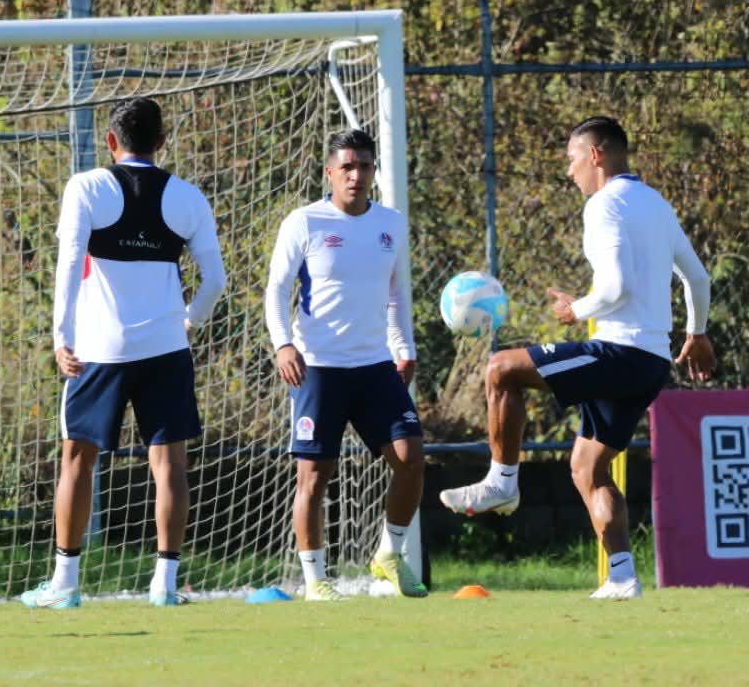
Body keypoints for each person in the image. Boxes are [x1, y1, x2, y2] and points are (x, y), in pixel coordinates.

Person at [440, 116, 715, 599]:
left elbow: (615, 288)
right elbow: (698, 278)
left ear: (596, 156)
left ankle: (502, 482)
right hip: (649, 363)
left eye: (571, 160)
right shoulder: (656, 204)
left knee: (501, 368)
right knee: (588, 468)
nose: (569, 172)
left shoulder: (603, 205)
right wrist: (697, 332)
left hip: (618, 352)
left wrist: (577, 309)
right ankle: (624, 576)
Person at [22, 97, 226, 609]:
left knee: (77, 459)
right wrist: (189, 320)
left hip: (99, 348)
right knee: (169, 462)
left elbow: (69, 263)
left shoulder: (87, 186)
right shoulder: (187, 197)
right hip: (165, 347)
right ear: (162, 143)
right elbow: (216, 282)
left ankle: (65, 585)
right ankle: (165, 585)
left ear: (111, 142)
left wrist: (60, 336)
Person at [265, 128, 426, 601]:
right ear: (330, 172)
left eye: (365, 167)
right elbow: (276, 289)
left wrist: (404, 346)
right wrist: (282, 345)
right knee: (314, 477)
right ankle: (316, 580)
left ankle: (388, 554)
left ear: (374, 171)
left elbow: (396, 293)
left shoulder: (391, 223)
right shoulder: (305, 222)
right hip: (318, 367)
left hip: (376, 366)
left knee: (411, 459)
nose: (357, 176)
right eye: (348, 167)